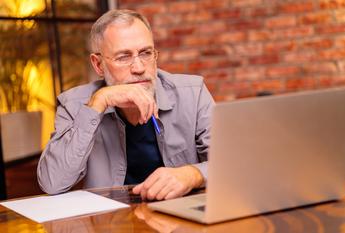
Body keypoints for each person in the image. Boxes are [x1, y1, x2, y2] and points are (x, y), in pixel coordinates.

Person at [37, 9, 214, 200]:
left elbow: (234, 163)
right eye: (123, 57)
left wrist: (192, 174)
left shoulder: (192, 93)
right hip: (111, 223)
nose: (139, 68)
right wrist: (99, 102)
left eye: (146, 53)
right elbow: (52, 182)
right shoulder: (73, 104)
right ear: (98, 65)